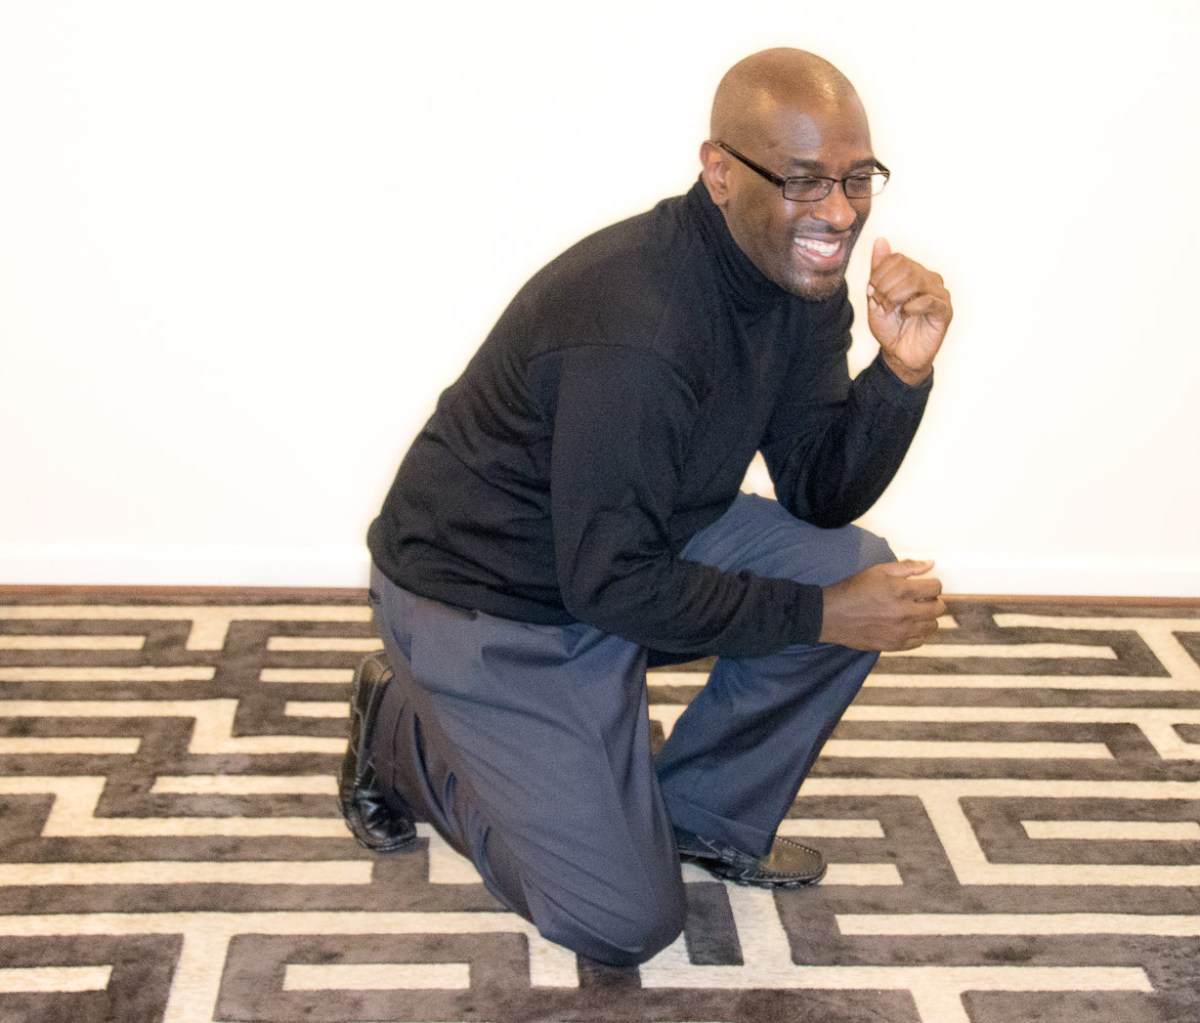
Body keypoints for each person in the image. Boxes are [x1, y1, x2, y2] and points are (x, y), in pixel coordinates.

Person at [340, 47, 952, 968]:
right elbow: (611, 586)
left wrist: (899, 373)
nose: (838, 213)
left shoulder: (798, 277)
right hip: (488, 598)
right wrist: (824, 616)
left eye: (856, 178)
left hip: (634, 541)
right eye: (802, 180)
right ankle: (403, 736)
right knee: (621, 922)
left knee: (850, 566)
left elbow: (819, 494)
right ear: (720, 171)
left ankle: (697, 813)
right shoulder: (639, 323)